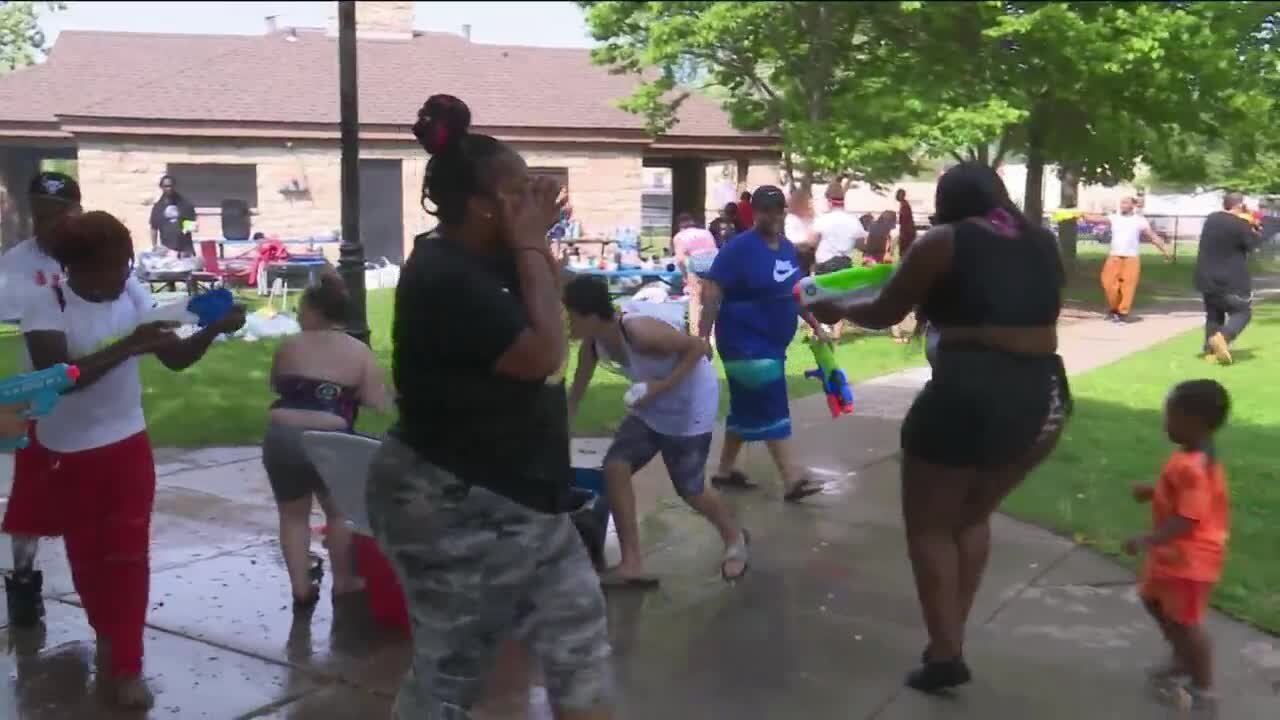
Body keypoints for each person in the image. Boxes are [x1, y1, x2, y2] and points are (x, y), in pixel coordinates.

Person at [366, 94, 612, 719]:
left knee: (578, 644)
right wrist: (530, 242)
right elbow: (547, 353)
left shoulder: (484, 259)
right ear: (481, 208)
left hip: (521, 500)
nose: (534, 204)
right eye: (518, 192)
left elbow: (551, 296)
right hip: (456, 501)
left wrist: (531, 236)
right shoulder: (447, 276)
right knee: (452, 672)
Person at [810, 162, 1070, 692]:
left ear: (948, 201)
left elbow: (885, 310)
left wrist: (827, 303)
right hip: (1045, 396)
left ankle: (946, 652)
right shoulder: (1042, 242)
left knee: (930, 527)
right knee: (972, 518)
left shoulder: (944, 241)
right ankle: (948, 642)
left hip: (967, 393)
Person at [21, 210, 246, 707]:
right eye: (112, 266)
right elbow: (59, 378)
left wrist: (214, 328)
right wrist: (129, 345)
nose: (123, 274)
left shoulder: (131, 294)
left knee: (128, 556)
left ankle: (126, 664)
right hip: (67, 453)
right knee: (88, 557)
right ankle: (109, 633)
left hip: (127, 445)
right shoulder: (47, 306)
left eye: (125, 263)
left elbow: (174, 357)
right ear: (77, 268)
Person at [564, 275, 749, 587]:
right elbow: (575, 395)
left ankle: (735, 539)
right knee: (615, 466)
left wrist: (661, 386)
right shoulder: (593, 346)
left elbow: (698, 348)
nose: (567, 322)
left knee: (690, 490)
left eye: (570, 314)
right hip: (650, 403)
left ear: (589, 314)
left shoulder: (637, 331)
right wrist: (559, 430)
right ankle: (631, 564)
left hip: (689, 401)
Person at [263, 272, 391, 608]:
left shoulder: (289, 346)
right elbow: (378, 402)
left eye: (302, 310)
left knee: (292, 515)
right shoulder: (359, 351)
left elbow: (276, 385)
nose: (299, 317)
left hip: (282, 436)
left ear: (317, 312)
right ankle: (345, 581)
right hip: (330, 439)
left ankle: (301, 588)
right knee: (337, 512)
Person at [698, 185, 830, 501]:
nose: (771, 216)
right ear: (754, 213)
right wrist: (703, 337)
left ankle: (724, 471)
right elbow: (713, 291)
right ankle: (792, 478)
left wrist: (816, 325)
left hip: (772, 344)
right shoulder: (739, 248)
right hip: (744, 340)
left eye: (776, 209)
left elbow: (794, 293)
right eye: (764, 210)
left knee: (746, 406)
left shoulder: (786, 248)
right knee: (770, 404)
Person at [0, 171, 82, 629]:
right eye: (41, 214)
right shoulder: (15, 262)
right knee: (31, 494)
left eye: (59, 214)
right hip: (40, 394)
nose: (48, 223)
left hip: (94, 389)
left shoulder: (92, 258)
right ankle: (23, 581)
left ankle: (97, 572)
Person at [1124, 379, 1230, 714]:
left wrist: (1147, 539)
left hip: (1191, 559)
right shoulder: (1190, 456)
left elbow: (1189, 518)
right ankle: (1182, 657)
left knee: (1185, 621)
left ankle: (1204, 687)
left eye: (1170, 416)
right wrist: (1154, 493)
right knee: (1152, 600)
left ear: (1194, 421)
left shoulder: (1195, 467)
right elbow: (1181, 497)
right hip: (1174, 556)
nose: (1164, 422)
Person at [1194, 191, 1264, 365]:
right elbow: (1252, 245)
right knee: (1242, 312)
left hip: (1206, 276)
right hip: (1229, 279)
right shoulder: (1240, 224)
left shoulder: (1211, 219)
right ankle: (1223, 337)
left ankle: (1210, 352)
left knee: (1214, 315)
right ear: (1239, 205)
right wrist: (1255, 228)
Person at [1084, 196, 1171, 323]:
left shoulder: (1140, 220)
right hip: (1114, 256)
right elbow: (1095, 219)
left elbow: (1152, 236)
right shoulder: (1114, 217)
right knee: (1108, 283)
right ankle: (1114, 308)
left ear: (1133, 205)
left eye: (1125, 203)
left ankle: (1122, 313)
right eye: (1121, 203)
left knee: (1128, 287)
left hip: (1131, 258)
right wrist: (1079, 213)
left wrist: (1165, 250)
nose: (1122, 205)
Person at [671, 212, 717, 332]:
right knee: (709, 301)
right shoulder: (706, 233)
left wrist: (685, 276)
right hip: (714, 264)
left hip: (696, 264)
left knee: (694, 299)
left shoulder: (679, 236)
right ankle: (709, 332)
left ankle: (695, 333)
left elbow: (680, 260)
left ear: (680, 226)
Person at [812, 181, 867, 275]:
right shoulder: (853, 220)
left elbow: (814, 243)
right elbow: (861, 245)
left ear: (828, 200)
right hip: (844, 267)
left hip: (824, 266)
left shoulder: (821, 219)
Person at [148, 175, 196, 256]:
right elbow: (154, 228)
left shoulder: (184, 204)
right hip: (167, 251)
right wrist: (155, 247)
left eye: (171, 185)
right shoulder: (158, 207)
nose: (169, 188)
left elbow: (192, 225)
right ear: (161, 187)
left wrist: (182, 233)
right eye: (166, 186)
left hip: (185, 250)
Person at [785, 187, 817, 274]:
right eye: (808, 202)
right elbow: (792, 239)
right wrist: (809, 240)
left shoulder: (810, 218)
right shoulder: (791, 219)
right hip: (798, 257)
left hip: (809, 257)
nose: (810, 205)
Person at [897, 188, 917, 257]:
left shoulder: (905, 205)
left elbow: (905, 219)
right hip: (906, 229)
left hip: (907, 230)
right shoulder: (903, 204)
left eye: (901, 194)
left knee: (905, 250)